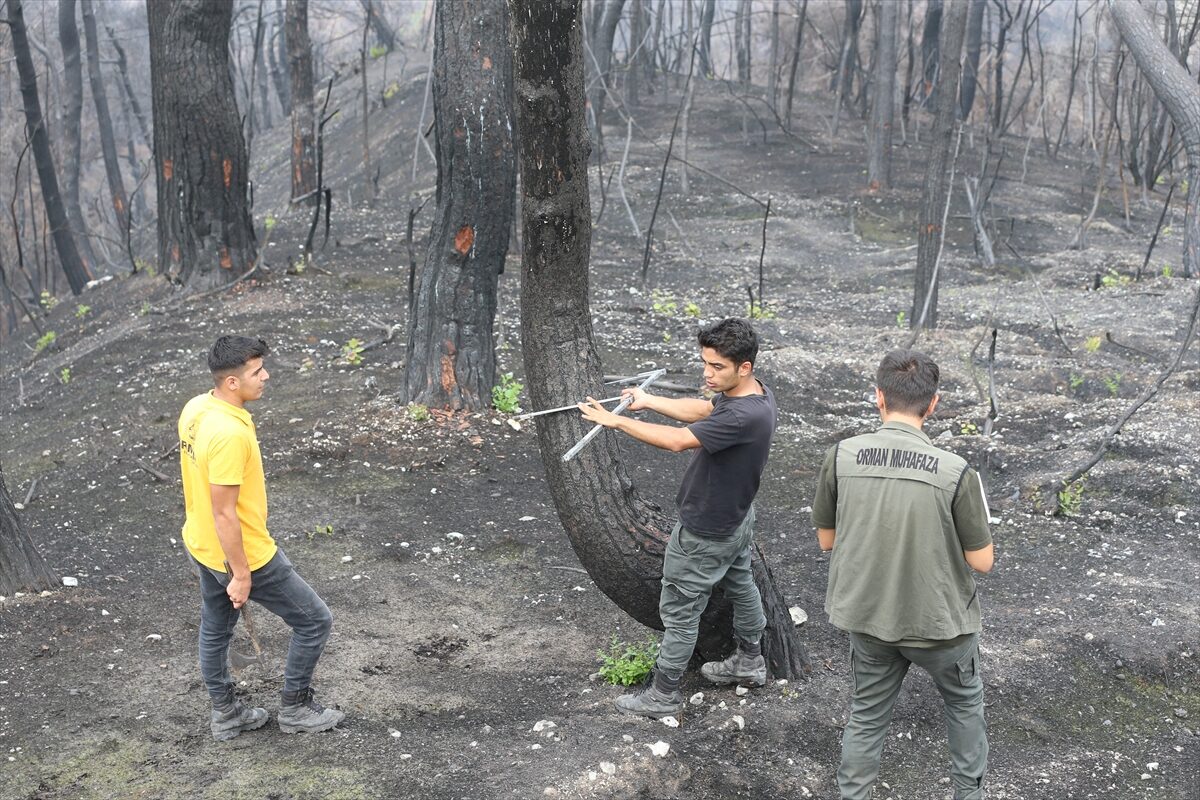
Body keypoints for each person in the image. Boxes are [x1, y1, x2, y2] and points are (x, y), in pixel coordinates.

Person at [812, 349, 994, 800]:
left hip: (869, 619)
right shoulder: (955, 472)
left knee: (867, 715)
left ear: (878, 397)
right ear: (933, 404)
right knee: (964, 705)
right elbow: (982, 561)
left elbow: (826, 541)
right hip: (941, 627)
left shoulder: (841, 456)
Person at [578, 317, 777, 719]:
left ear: (745, 367)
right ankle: (751, 660)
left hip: (706, 532)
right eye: (705, 363)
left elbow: (677, 441)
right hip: (736, 521)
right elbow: (704, 410)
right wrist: (649, 401)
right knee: (741, 585)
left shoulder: (741, 415)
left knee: (681, 612)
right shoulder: (753, 396)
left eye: (717, 366)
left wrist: (615, 420)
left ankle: (662, 695)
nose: (707, 373)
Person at [178, 336, 344, 740]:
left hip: (202, 544)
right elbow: (224, 512)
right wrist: (241, 573)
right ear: (232, 383)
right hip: (244, 552)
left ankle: (226, 714)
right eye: (257, 371)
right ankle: (296, 709)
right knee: (314, 621)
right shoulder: (228, 434)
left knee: (215, 630)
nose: (266, 376)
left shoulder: (197, 408)